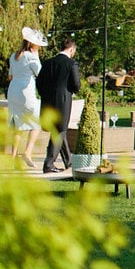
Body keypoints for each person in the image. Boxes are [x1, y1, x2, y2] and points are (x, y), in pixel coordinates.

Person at [36, 37, 81, 174]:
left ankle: (69, 161)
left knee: (60, 130)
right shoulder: (71, 63)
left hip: (48, 101)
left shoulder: (48, 63)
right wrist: (73, 90)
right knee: (59, 131)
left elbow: (39, 83)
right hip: (62, 100)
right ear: (71, 49)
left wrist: (45, 95)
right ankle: (49, 164)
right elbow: (76, 84)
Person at [7, 26, 46, 168]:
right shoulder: (32, 57)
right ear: (33, 44)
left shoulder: (14, 55)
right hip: (26, 92)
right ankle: (27, 152)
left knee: (17, 124)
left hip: (12, 91)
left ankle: (12, 156)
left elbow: (10, 75)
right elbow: (40, 74)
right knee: (36, 121)